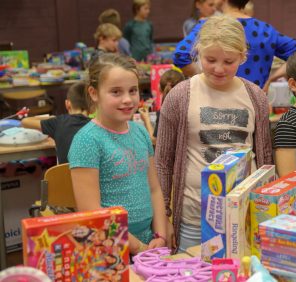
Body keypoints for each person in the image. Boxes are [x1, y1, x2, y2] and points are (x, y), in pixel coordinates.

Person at [156, 15, 273, 252]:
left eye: (228, 61)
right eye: (210, 59)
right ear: (197, 52)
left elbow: (264, 159)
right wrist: (164, 217)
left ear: (242, 56)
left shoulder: (256, 97)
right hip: (193, 218)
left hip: (243, 215)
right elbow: (163, 163)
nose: (219, 69)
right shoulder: (180, 96)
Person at [68, 53, 173, 255]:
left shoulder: (140, 131)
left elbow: (154, 189)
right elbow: (93, 213)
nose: (127, 99)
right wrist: (139, 248)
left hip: (149, 243)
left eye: (133, 91)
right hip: (111, 248)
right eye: (116, 92)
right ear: (94, 93)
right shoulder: (87, 140)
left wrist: (160, 235)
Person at [173, 0, 296, 88]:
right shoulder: (265, 30)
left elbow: (181, 55)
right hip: (254, 104)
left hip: (214, 104)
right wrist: (272, 79)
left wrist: (204, 79)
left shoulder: (210, 25)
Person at [21, 81, 91, 164]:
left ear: (67, 104)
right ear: (93, 106)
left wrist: (51, 117)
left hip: (63, 176)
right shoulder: (98, 126)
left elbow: (25, 121)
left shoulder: (58, 122)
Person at [139, 69, 185, 144]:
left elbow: (155, 140)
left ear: (160, 88)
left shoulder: (164, 111)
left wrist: (146, 119)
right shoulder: (188, 107)